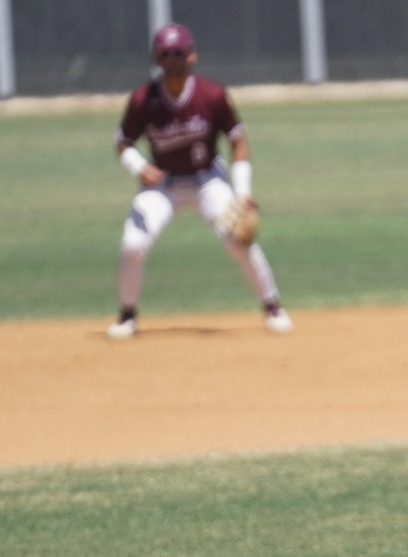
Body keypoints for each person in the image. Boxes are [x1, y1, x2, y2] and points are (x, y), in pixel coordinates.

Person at [107, 23, 290, 340]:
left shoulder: (212, 96)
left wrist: (243, 192)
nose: (173, 59)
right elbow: (122, 141)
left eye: (179, 53)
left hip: (208, 180)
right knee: (133, 244)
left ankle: (273, 306)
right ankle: (127, 316)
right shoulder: (142, 100)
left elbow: (239, 141)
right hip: (163, 185)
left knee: (238, 239)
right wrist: (138, 166)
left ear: (192, 56)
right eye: (166, 54)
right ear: (155, 57)